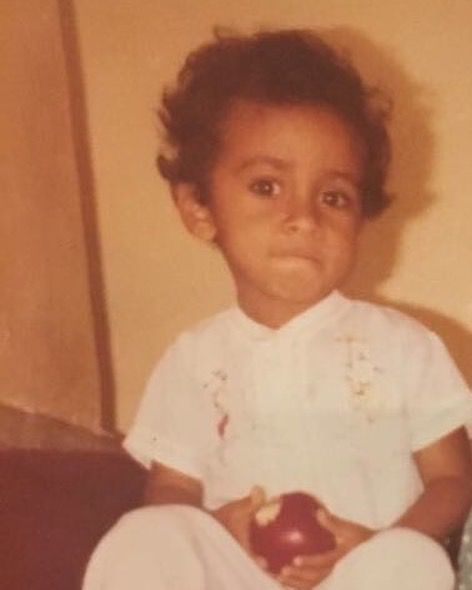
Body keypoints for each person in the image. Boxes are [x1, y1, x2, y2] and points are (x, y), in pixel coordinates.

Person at [82, 29, 472, 590]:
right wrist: (220, 526)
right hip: (237, 577)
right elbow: (171, 491)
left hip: (362, 575)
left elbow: (453, 480)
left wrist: (381, 542)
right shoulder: (193, 358)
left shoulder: (404, 346)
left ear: (361, 219)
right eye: (267, 187)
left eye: (333, 197)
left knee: (415, 561)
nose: (304, 218)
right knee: (145, 534)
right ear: (199, 209)